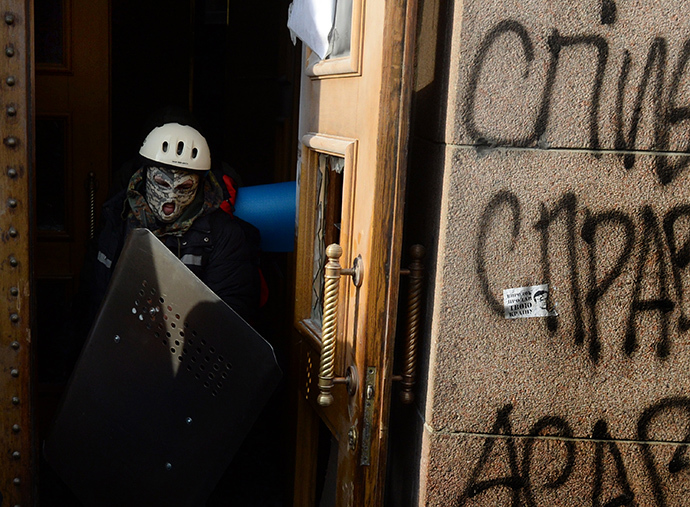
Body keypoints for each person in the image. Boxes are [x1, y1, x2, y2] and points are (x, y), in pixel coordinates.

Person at [91, 120, 261, 323]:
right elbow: (92, 296)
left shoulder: (224, 235)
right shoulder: (117, 218)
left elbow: (228, 318)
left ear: (199, 186)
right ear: (144, 177)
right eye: (161, 183)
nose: (170, 198)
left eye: (184, 187)